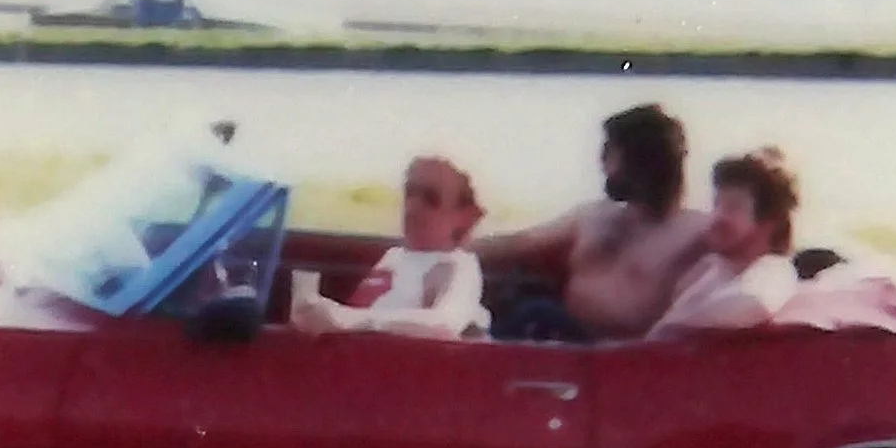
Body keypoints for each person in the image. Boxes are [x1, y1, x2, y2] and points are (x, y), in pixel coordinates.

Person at [471, 102, 714, 341]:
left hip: (625, 355)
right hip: (559, 336)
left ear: (644, 162)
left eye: (610, 154)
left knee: (536, 313)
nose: (603, 165)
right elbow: (521, 243)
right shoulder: (595, 216)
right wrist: (445, 251)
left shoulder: (698, 233)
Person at [292, 155, 489, 339]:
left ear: (464, 216)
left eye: (431, 199)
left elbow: (445, 323)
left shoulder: (456, 266)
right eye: (410, 192)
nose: (413, 206)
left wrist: (347, 319)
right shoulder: (394, 257)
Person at [648, 147, 803, 335]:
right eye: (716, 205)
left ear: (768, 223)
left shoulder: (774, 270)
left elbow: (751, 305)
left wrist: (673, 327)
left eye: (733, 207)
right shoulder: (717, 274)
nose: (717, 217)